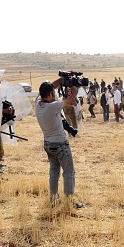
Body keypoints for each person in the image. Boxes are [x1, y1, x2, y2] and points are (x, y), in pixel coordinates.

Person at [36, 78, 83, 208]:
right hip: (60, 144)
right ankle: (69, 201)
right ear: (50, 95)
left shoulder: (38, 104)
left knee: (54, 171)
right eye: (53, 93)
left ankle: (54, 199)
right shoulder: (53, 107)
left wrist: (63, 78)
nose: (55, 94)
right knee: (69, 172)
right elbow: (70, 101)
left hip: (48, 143)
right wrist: (75, 90)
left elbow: (48, 88)